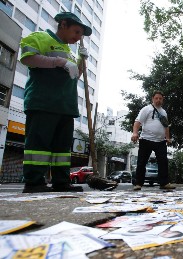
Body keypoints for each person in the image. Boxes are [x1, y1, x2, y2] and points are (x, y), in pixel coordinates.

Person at [19, 12, 116, 193]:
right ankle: (34, 182)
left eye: (81, 34)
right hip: (43, 103)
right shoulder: (40, 37)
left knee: (62, 149)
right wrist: (58, 61)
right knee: (39, 144)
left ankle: (61, 181)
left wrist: (80, 60)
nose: (78, 37)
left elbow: (75, 76)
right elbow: (27, 58)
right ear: (63, 24)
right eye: (76, 32)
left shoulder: (69, 52)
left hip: (65, 106)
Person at [131, 91, 176, 190]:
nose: (158, 100)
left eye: (160, 98)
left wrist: (167, 138)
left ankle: (164, 183)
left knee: (163, 161)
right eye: (156, 98)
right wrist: (135, 133)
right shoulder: (146, 109)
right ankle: (138, 183)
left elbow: (166, 126)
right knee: (142, 162)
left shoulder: (163, 112)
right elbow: (138, 121)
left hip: (160, 141)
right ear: (153, 99)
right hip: (146, 139)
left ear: (162, 100)